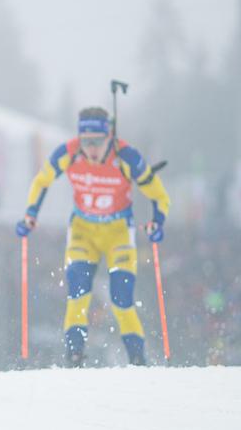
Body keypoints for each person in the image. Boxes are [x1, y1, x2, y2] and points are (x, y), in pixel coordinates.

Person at [17, 107, 169, 366]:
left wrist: (158, 221)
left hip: (118, 233)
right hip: (83, 232)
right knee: (78, 295)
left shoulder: (126, 156)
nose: (92, 148)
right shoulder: (69, 152)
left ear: (109, 136)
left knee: (122, 300)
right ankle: (74, 357)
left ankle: (138, 360)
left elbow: (158, 194)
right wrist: (30, 214)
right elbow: (42, 181)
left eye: (97, 141)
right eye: (86, 141)